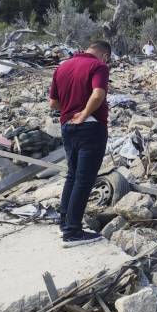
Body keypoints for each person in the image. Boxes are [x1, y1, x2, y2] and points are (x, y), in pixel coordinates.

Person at [49, 41, 111, 247]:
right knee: (84, 179)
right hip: (90, 128)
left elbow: (53, 103)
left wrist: (71, 111)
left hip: (67, 126)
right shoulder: (99, 66)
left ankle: (64, 222)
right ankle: (73, 232)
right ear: (104, 55)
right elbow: (98, 93)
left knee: (72, 175)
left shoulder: (63, 66)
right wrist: (84, 113)